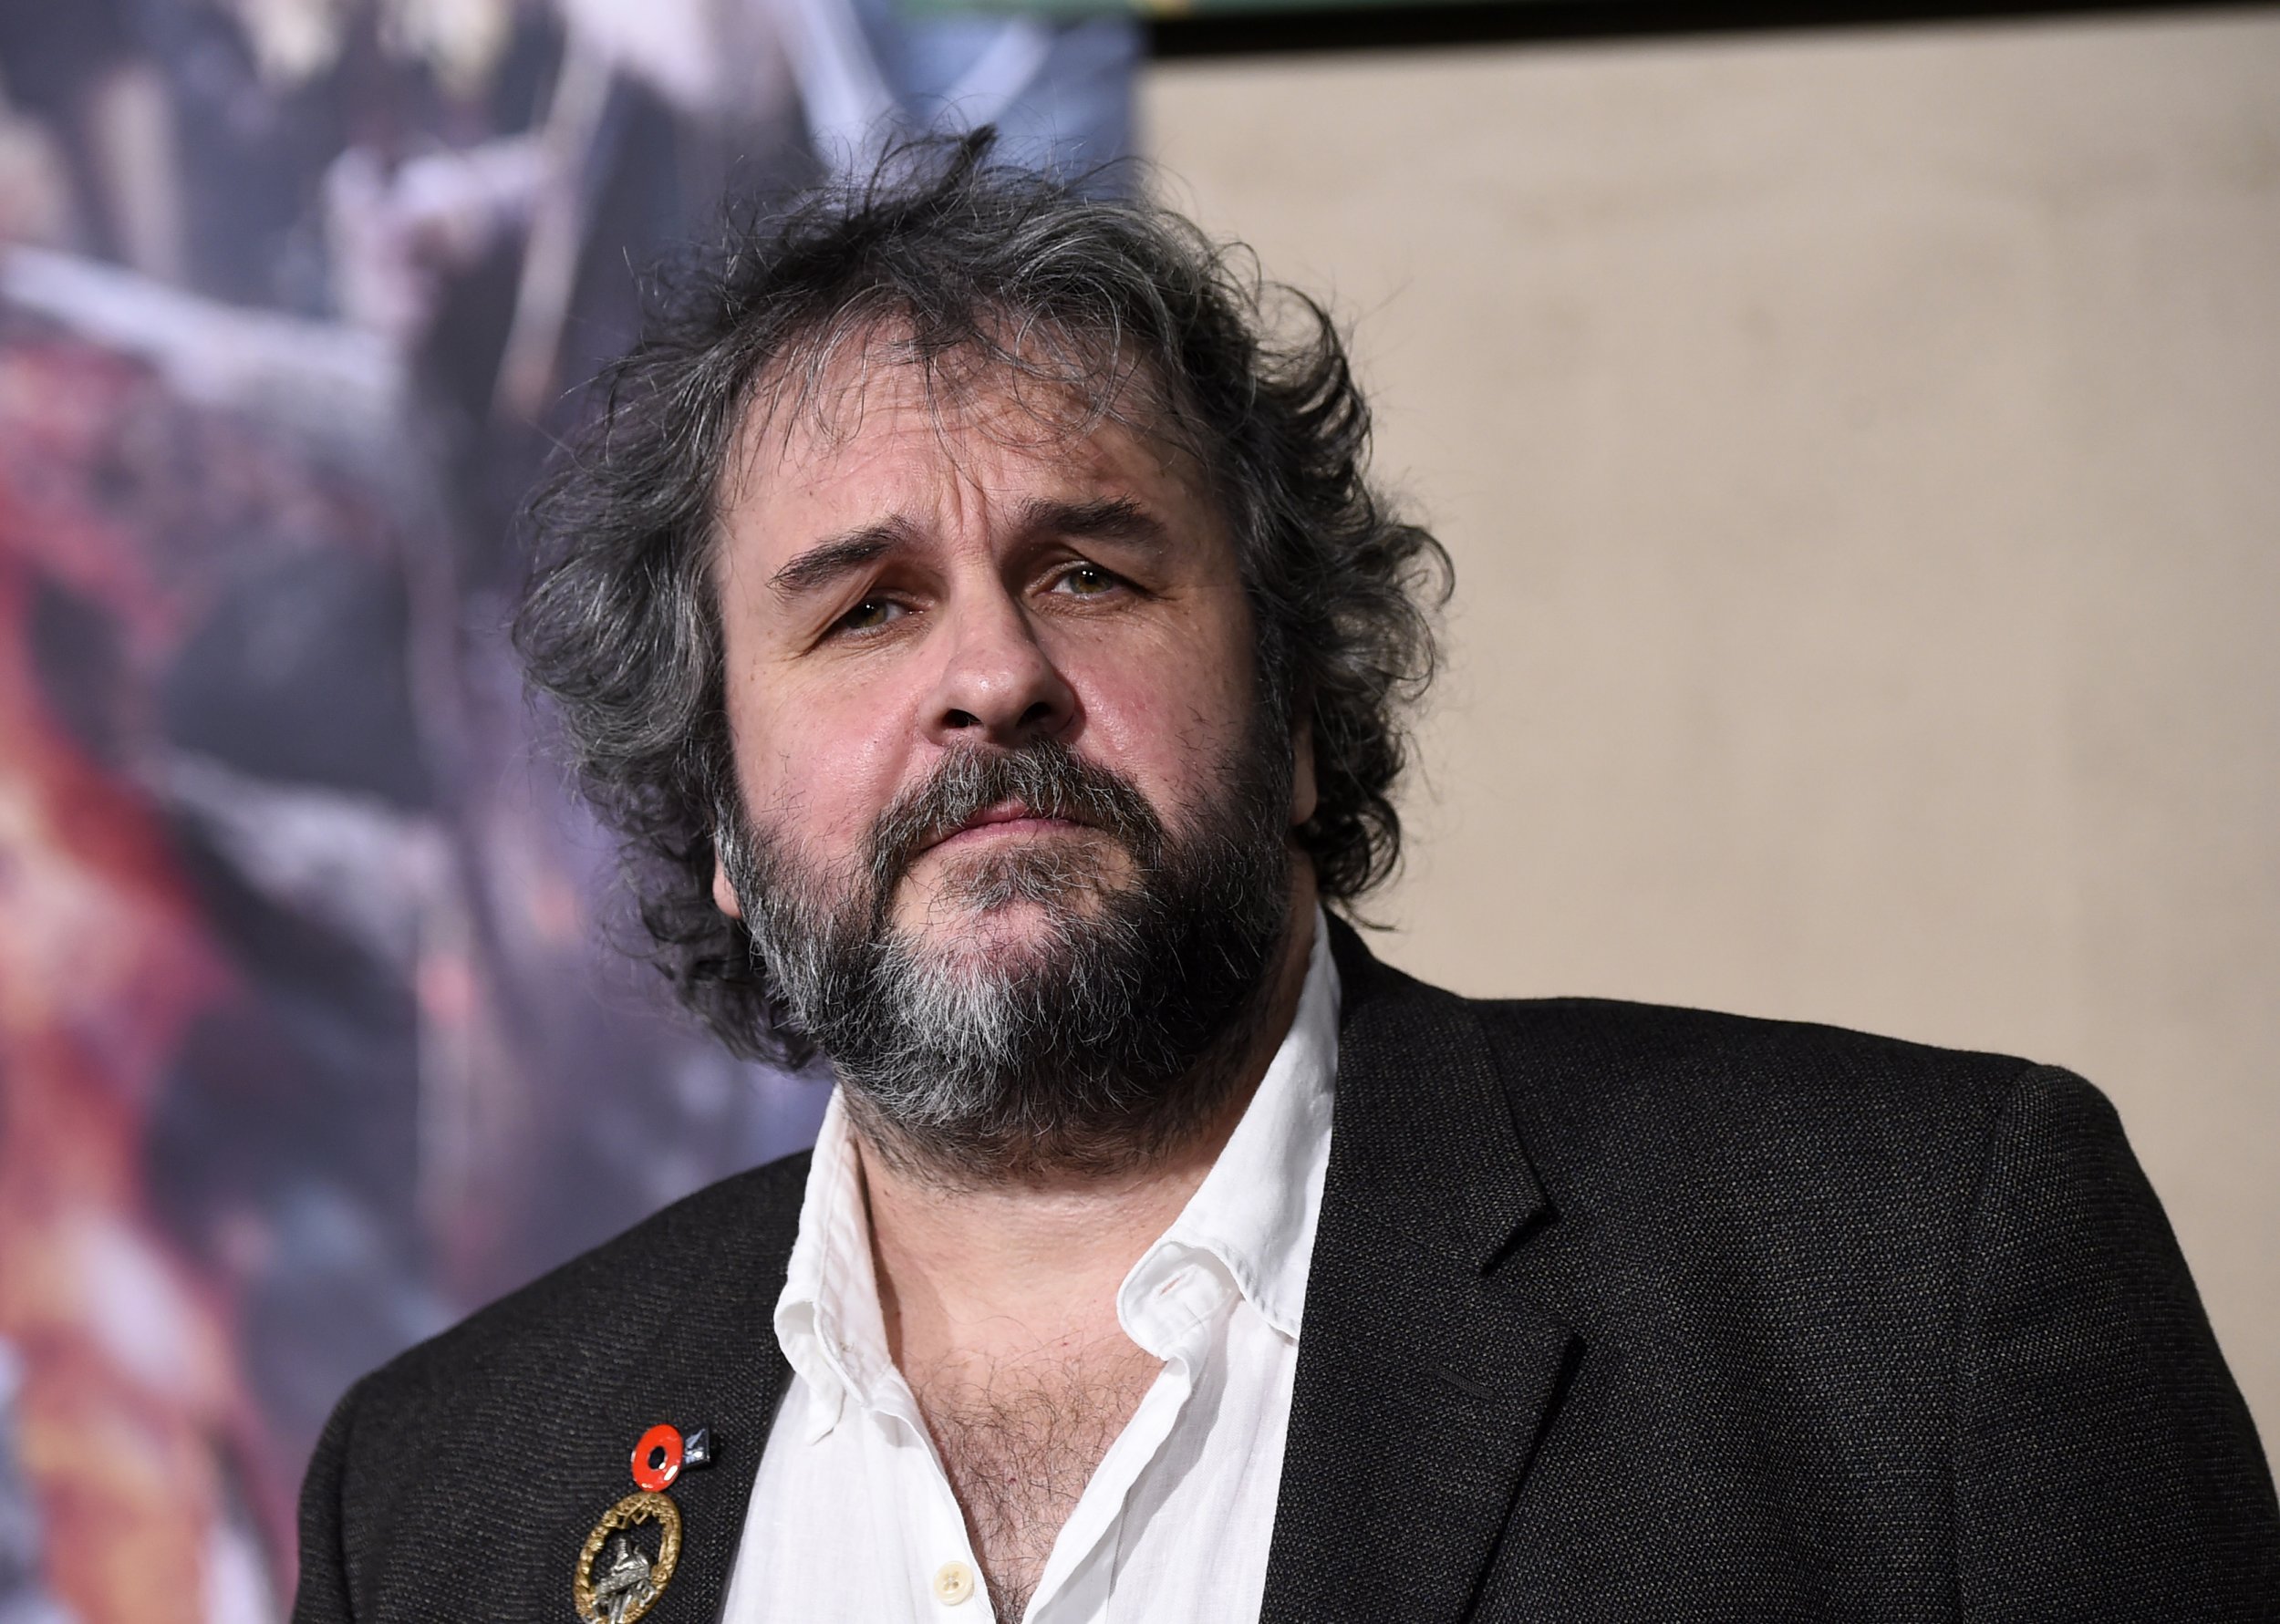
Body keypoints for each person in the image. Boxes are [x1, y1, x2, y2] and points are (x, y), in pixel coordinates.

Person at [289, 132, 2277, 1624]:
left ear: (1301, 705)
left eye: (1088, 569)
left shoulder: (1912, 1291)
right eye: (864, 609)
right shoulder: (445, 1499)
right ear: (717, 821)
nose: (990, 675)